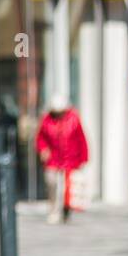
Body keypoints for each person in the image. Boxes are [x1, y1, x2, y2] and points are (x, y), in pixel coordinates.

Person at [36, 93, 89, 224]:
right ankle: (53, 210)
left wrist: (83, 158)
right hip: (53, 159)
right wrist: (43, 149)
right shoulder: (47, 120)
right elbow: (40, 138)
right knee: (51, 182)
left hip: (70, 158)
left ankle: (66, 209)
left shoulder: (74, 119)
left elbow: (81, 138)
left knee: (68, 187)